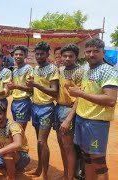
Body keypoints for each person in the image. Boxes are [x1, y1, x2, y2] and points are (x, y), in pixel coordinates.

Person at [68, 38, 118, 180]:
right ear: (84, 53)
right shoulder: (88, 71)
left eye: (96, 51)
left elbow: (110, 100)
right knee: (87, 158)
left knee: (98, 162)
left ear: (103, 53)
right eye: (89, 51)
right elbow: (83, 96)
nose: (91, 54)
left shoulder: (107, 71)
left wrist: (80, 93)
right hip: (82, 120)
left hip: (96, 123)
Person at [26, 41, 59, 180]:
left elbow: (54, 91)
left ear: (47, 54)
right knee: (38, 141)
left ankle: (45, 174)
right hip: (35, 106)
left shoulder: (52, 69)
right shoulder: (35, 69)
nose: (39, 56)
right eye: (37, 54)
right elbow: (32, 89)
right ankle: (39, 168)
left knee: (41, 141)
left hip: (46, 107)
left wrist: (36, 85)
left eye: (41, 54)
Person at [53, 44, 84, 180]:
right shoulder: (60, 70)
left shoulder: (79, 72)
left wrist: (68, 118)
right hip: (58, 108)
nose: (67, 58)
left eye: (70, 56)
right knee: (61, 145)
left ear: (76, 57)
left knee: (68, 146)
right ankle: (66, 174)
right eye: (64, 56)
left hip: (69, 110)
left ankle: (70, 177)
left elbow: (79, 97)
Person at [7, 45, 33, 131]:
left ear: (25, 56)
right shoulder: (14, 70)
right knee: (16, 130)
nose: (18, 56)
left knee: (19, 130)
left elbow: (30, 88)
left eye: (21, 54)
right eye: (16, 54)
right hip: (15, 102)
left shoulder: (28, 68)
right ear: (13, 56)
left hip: (23, 102)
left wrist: (15, 86)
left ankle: (21, 144)